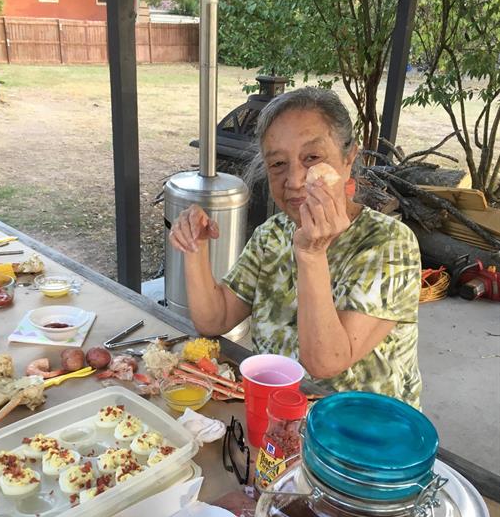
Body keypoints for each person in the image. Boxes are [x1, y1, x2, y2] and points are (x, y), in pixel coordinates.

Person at [169, 87, 422, 408]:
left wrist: (312, 254)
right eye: (277, 164)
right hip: (278, 417)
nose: (295, 179)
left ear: (349, 159)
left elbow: (326, 363)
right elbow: (214, 320)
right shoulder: (271, 235)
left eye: (312, 158)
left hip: (363, 436)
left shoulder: (388, 243)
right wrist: (195, 246)